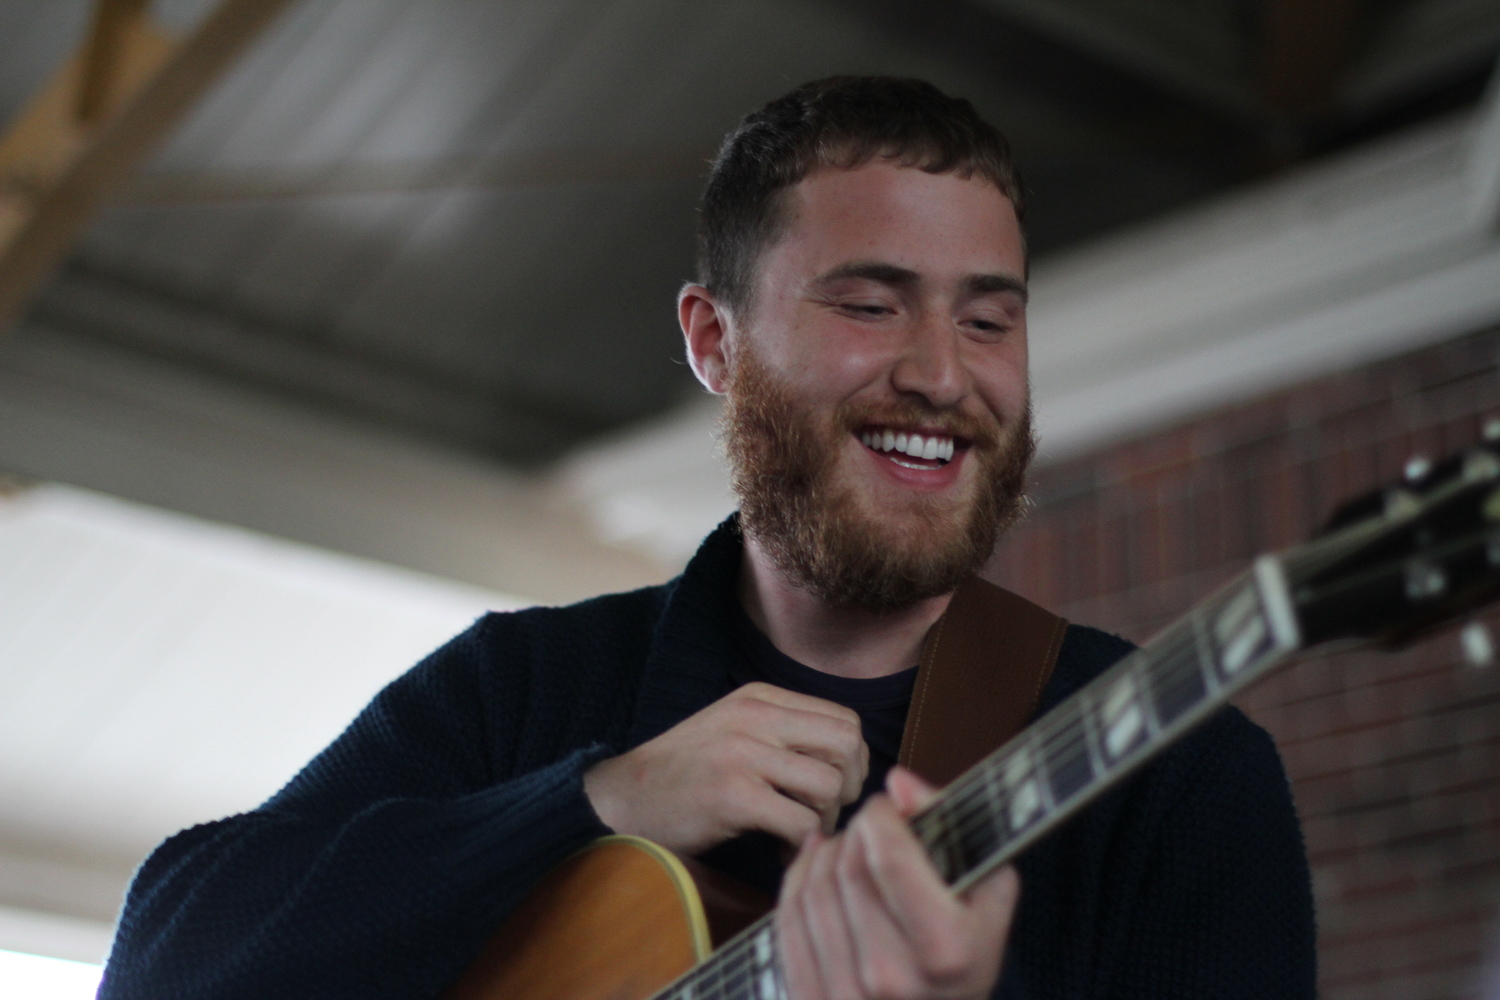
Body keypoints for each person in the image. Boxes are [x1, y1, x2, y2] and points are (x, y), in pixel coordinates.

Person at [99, 77, 1315, 1000]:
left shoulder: (1179, 776)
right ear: (714, 341)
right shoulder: (524, 691)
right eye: (869, 303)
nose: (944, 374)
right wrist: (592, 801)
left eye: (989, 319)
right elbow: (164, 955)